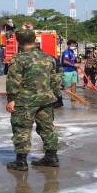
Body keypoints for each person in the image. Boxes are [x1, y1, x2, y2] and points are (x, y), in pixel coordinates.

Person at [5, 29, 62, 171]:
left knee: (22, 129)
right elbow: (55, 80)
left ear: (18, 42)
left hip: (25, 101)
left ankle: (21, 161)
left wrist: (11, 99)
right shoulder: (48, 58)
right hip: (46, 99)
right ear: (35, 40)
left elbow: (13, 81)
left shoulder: (18, 59)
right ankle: (51, 156)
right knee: (47, 127)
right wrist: (56, 96)